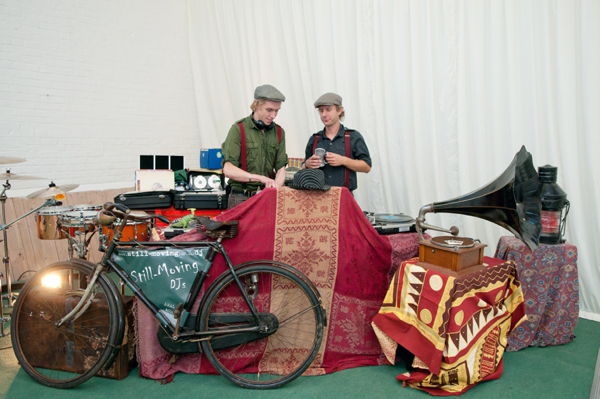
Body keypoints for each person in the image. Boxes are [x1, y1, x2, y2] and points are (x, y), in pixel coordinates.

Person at [221, 84, 288, 208]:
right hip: (241, 198)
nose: (273, 116)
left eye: (277, 111)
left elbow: (281, 168)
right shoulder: (238, 129)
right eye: (269, 110)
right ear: (256, 104)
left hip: (266, 197)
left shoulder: (279, 132)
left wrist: (275, 188)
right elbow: (228, 169)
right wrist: (260, 178)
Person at [303, 93, 371, 193]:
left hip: (344, 198)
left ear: (339, 110)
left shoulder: (353, 137)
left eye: (328, 109)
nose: (324, 114)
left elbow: (367, 167)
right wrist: (307, 165)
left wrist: (343, 160)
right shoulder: (314, 139)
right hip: (317, 197)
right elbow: (303, 167)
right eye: (321, 111)